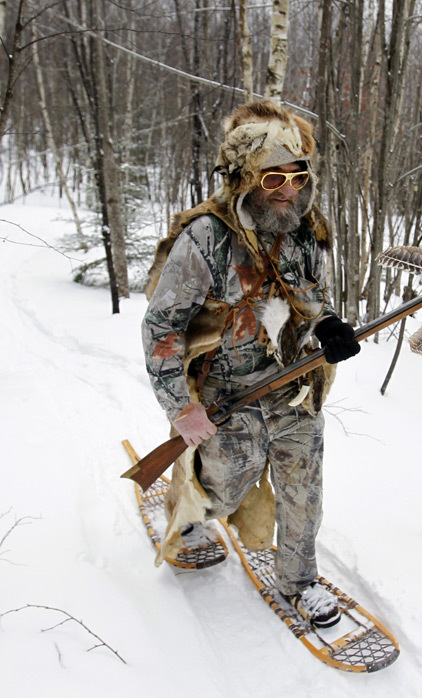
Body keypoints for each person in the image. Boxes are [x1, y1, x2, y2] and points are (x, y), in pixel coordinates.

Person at [141, 100, 360, 628]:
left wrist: (327, 324)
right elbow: (161, 328)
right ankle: (189, 509)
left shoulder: (307, 230)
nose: (288, 188)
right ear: (245, 179)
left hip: (294, 389)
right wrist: (180, 408)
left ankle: (300, 581)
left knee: (303, 488)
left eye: (297, 174)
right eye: (273, 178)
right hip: (228, 396)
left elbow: (310, 296)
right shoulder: (205, 239)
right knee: (224, 487)